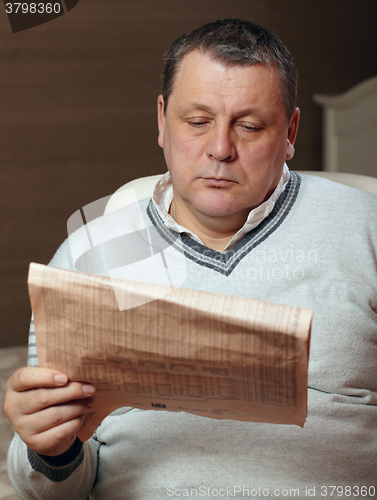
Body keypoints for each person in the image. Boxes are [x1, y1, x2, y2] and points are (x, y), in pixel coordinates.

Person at [4, 18, 377, 500]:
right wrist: (50, 450)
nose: (220, 149)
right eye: (197, 122)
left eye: (249, 126)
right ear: (162, 120)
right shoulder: (88, 256)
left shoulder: (367, 230)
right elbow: (52, 491)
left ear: (290, 131)